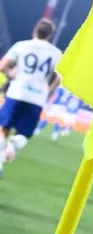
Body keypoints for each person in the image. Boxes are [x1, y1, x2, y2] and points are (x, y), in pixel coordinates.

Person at [0, 18, 62, 176]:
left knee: (4, 128)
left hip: (17, 92)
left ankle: (0, 162)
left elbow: (2, 65)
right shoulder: (55, 53)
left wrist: (10, 73)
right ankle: (14, 145)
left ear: (35, 30)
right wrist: (49, 89)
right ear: (50, 35)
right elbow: (60, 77)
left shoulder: (22, 46)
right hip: (37, 97)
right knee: (24, 133)